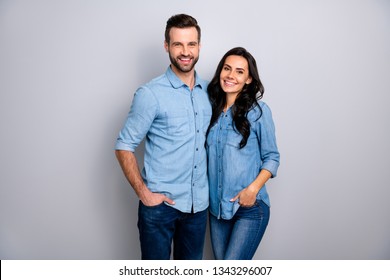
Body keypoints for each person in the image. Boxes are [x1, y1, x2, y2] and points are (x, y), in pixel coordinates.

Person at [115, 14, 211, 260]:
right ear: (167, 46)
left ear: (199, 46)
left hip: (198, 207)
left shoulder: (209, 93)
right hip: (160, 209)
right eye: (178, 44)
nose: (185, 51)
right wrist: (143, 192)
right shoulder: (150, 94)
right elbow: (123, 146)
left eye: (191, 44)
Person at [206, 47, 280, 260]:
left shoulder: (259, 112)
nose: (230, 75)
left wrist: (252, 190)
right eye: (227, 68)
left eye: (239, 71)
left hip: (249, 208)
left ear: (248, 79)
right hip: (217, 211)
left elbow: (272, 157)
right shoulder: (210, 110)